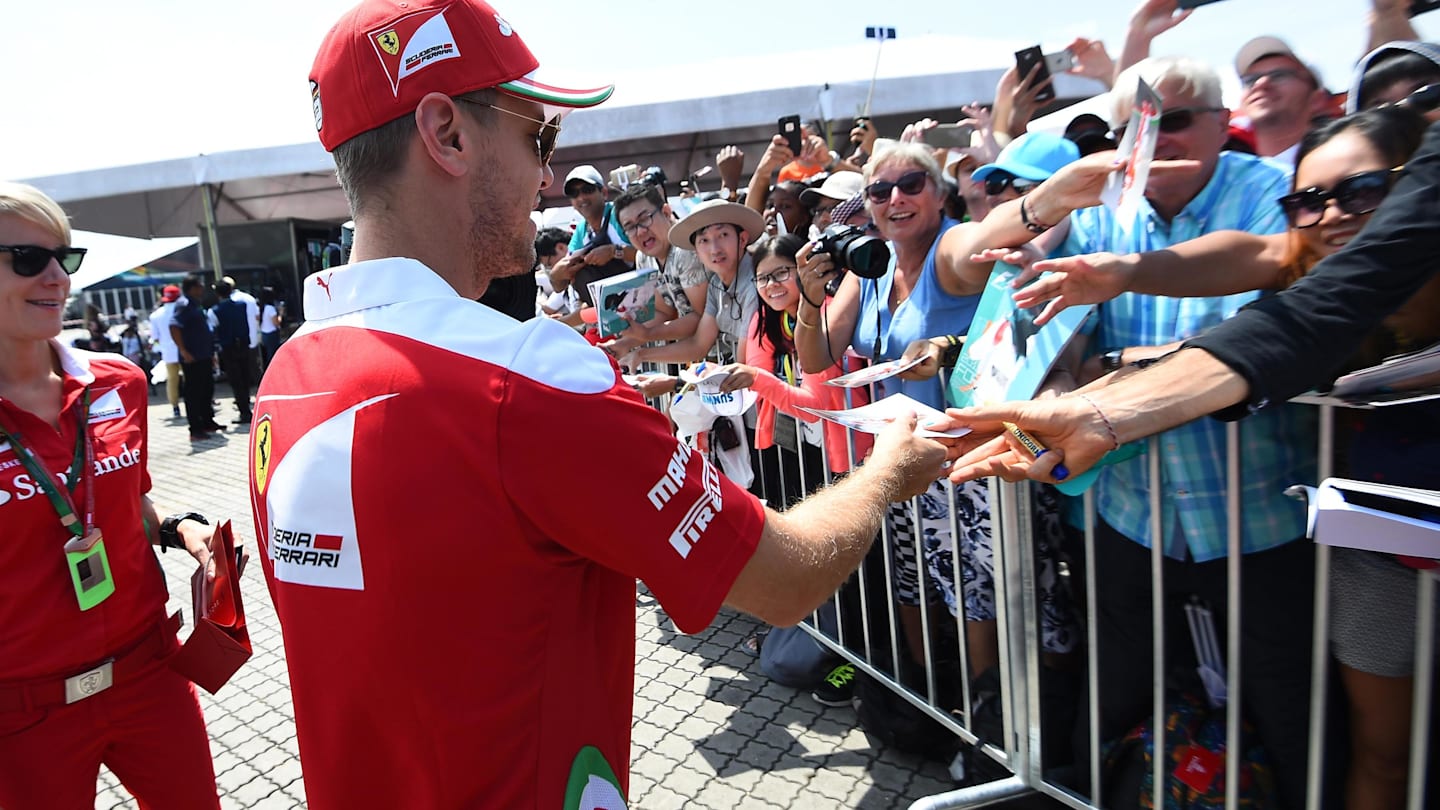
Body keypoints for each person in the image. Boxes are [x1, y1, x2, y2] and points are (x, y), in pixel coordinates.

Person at [251, 2, 953, 807]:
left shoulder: (284, 383)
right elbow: (786, 580)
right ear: (446, 134)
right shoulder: (528, 377)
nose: (548, 178)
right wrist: (889, 469)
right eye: (537, 138)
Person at [976, 106, 1438, 810]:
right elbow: (1257, 273)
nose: (1333, 214)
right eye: (1307, 200)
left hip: (1290, 533)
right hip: (1379, 555)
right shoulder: (1313, 268)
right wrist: (1122, 284)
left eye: (1363, 191)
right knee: (1381, 751)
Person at [0, 181, 220, 809]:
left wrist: (179, 529)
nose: (55, 279)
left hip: (149, 675)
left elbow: (132, 504)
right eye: (27, 259)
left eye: (64, 260)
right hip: (22, 715)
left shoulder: (117, 382)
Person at [1234, 36, 1333, 164]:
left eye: (1279, 75)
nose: (1261, 84)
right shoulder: (1220, 170)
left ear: (1317, 100)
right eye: (1250, 80)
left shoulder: (1341, 158)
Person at [169, 273, 219, 442]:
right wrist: (183, 350)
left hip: (204, 354)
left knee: (206, 389)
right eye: (199, 286)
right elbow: (174, 326)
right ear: (192, 288)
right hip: (192, 357)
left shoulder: (195, 304)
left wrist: (211, 353)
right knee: (194, 393)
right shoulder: (183, 304)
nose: (202, 289)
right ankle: (195, 429)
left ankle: (207, 422)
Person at [213, 280, 255, 425]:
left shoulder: (215, 310)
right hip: (243, 344)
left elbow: (214, 328)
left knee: (236, 380)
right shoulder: (242, 305)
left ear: (217, 294)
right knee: (244, 376)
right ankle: (246, 405)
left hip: (229, 347)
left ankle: (244, 411)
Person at [150, 285, 183, 417]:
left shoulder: (155, 315)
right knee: (191, 379)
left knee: (172, 380)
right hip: (185, 350)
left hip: (168, 352)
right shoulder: (182, 311)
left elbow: (155, 337)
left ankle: (175, 407)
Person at [256, 286, 283, 369]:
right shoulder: (270, 308)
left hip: (264, 334)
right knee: (273, 356)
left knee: (268, 355)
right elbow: (276, 323)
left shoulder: (260, 308)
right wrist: (281, 314)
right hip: (272, 334)